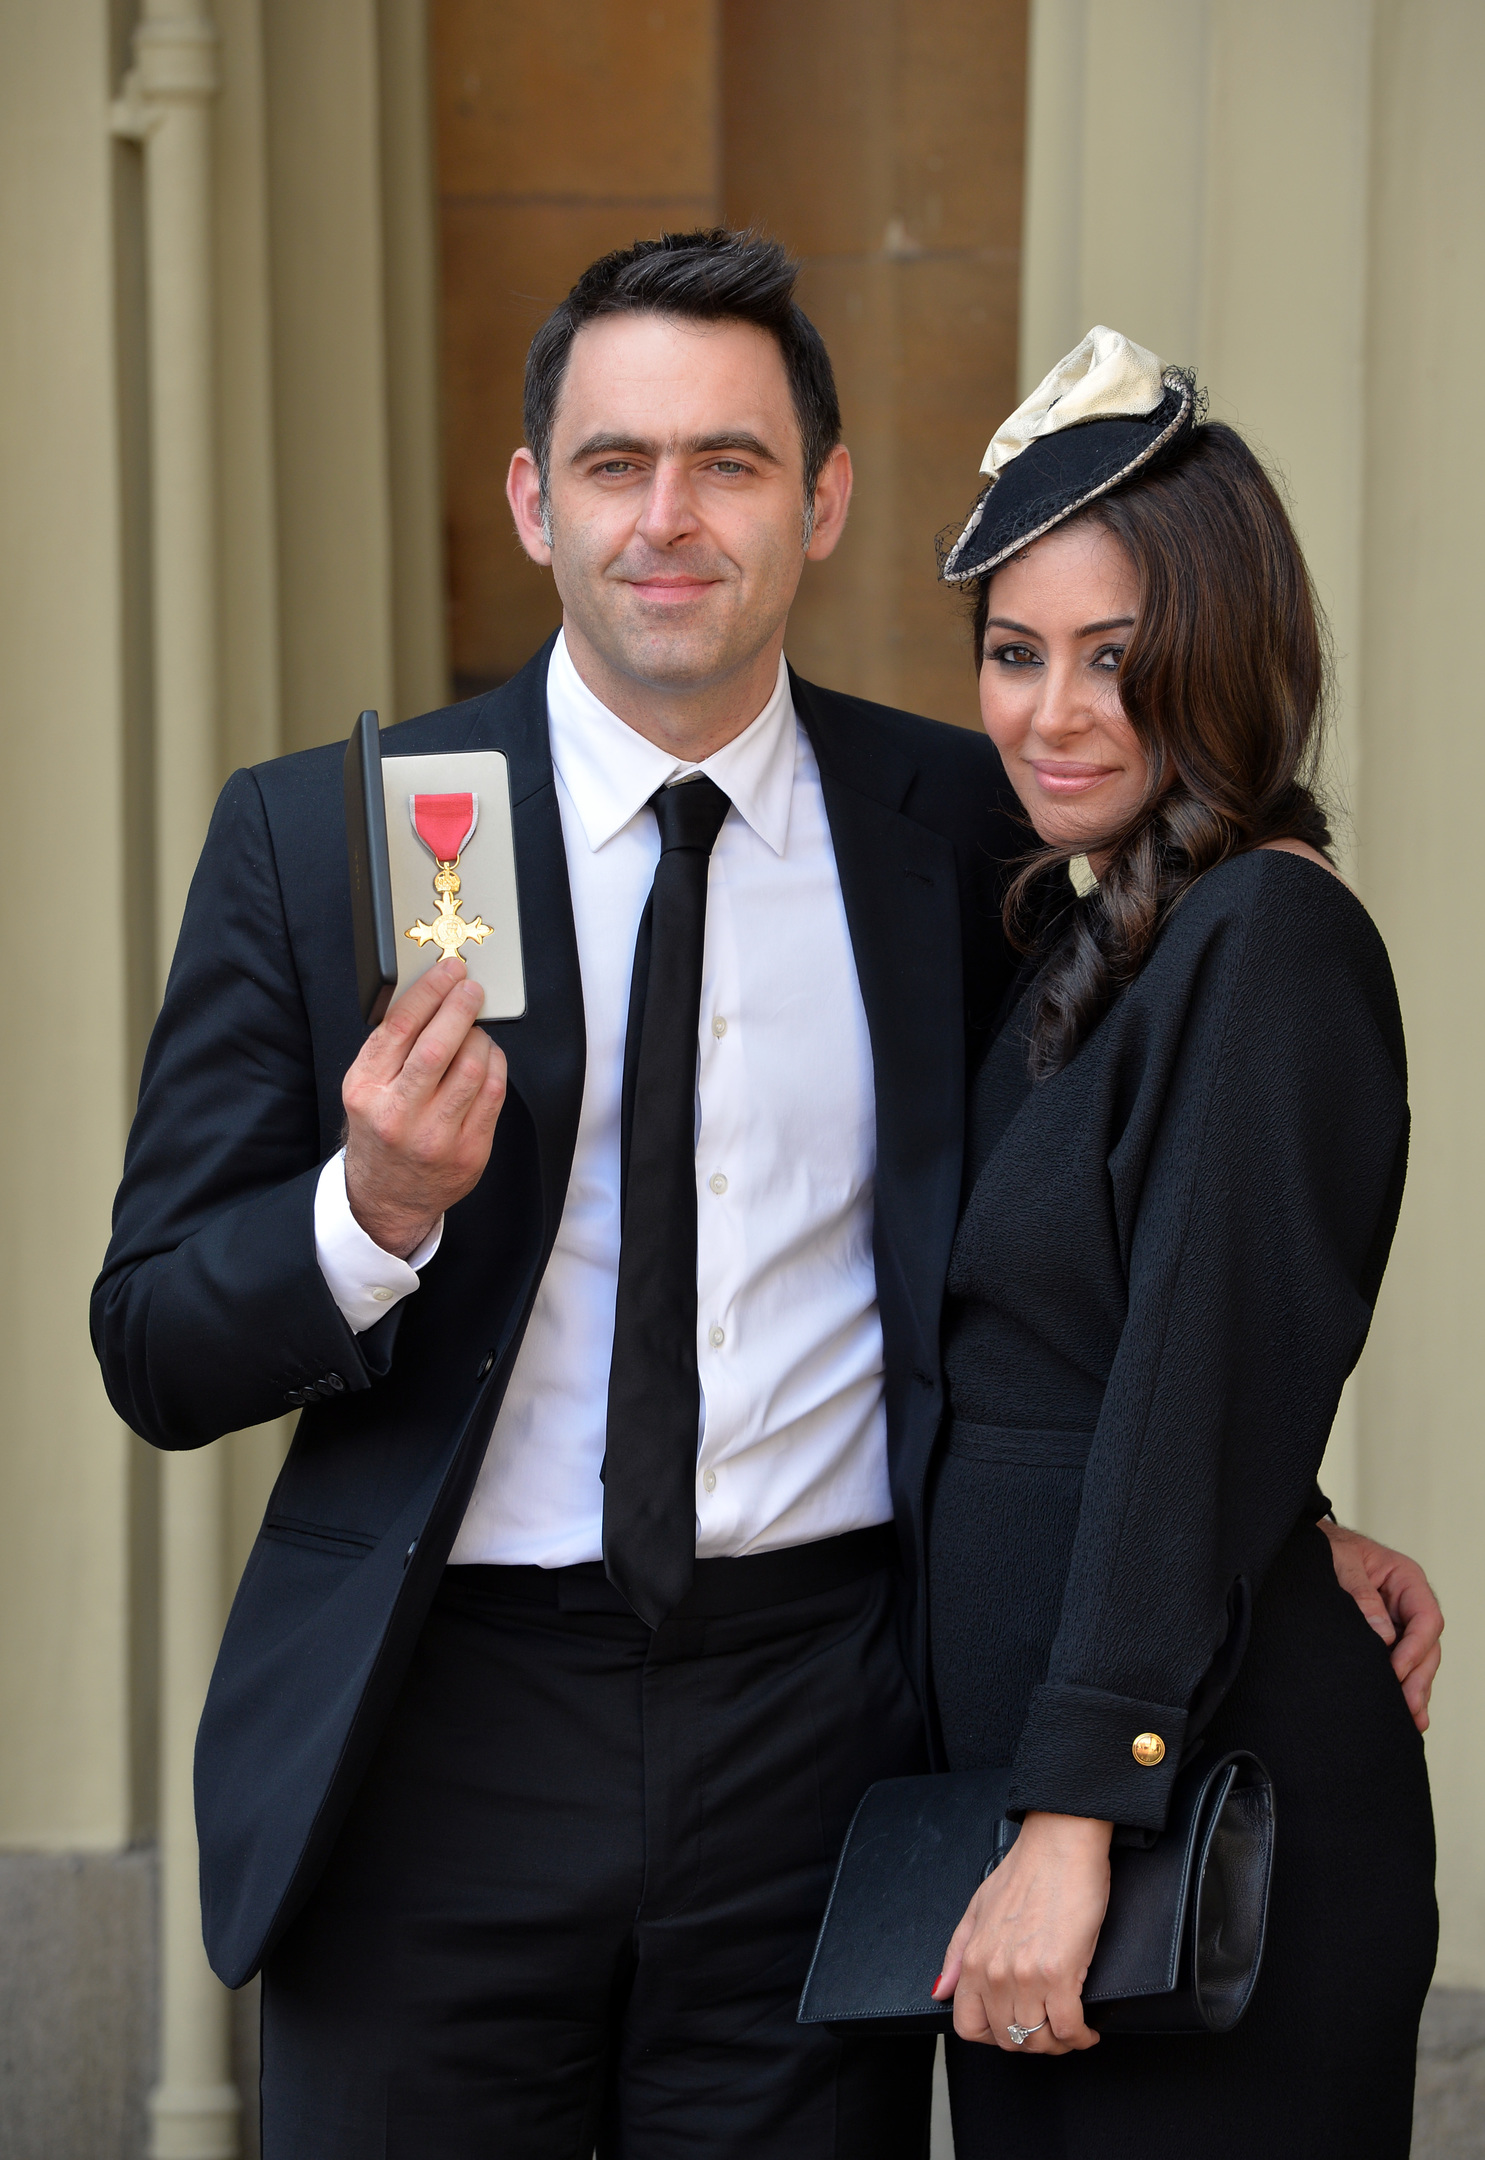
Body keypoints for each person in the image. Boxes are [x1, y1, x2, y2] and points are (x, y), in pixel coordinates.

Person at [90, 247, 1437, 2158]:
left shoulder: (969, 832)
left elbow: (1138, 1235)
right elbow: (150, 1335)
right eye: (614, 459)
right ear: (530, 499)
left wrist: (1275, 1519)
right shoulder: (338, 839)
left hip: (831, 1748)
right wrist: (365, 1212)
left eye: (727, 463)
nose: (666, 517)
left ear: (820, 503)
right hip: (439, 1742)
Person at [922, 330, 1439, 2158]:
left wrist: (1076, 1819)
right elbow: (1124, 1358)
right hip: (1077, 1825)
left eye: (1115, 662)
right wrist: (1295, 1526)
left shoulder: (1264, 943)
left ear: (1226, 665)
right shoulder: (1107, 940)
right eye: (1012, 653)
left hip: (1175, 1838)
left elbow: (1182, 1386)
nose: (1049, 713)